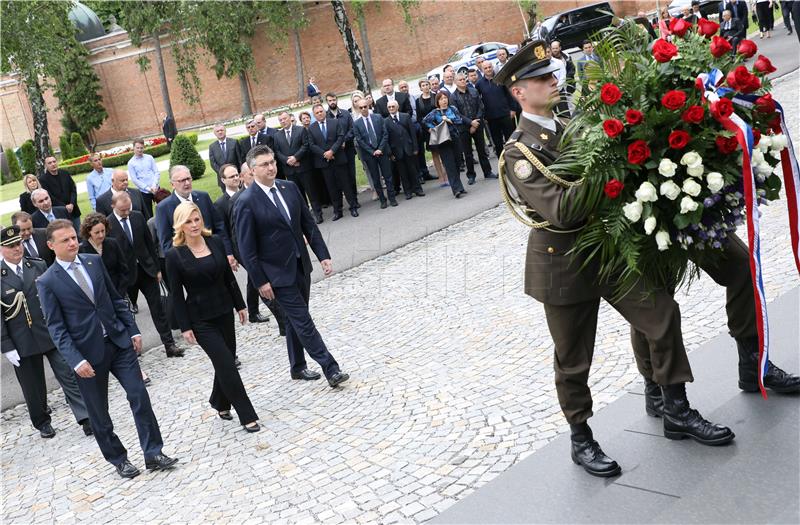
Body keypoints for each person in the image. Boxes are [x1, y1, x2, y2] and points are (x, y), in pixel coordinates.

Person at [495, 40, 734, 478]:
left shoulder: (568, 126)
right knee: (573, 359)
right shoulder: (518, 153)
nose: (552, 81)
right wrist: (607, 165)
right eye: (540, 79)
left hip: (609, 251)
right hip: (563, 263)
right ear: (519, 93)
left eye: (551, 75)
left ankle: (675, 407)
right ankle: (581, 439)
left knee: (661, 315)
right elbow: (562, 210)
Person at [37, 219, 178, 478]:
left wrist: (132, 329)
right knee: (99, 413)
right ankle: (119, 459)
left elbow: (115, 298)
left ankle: (153, 452)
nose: (72, 243)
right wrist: (76, 360)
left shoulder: (93, 262)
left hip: (118, 342)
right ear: (50, 245)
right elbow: (56, 328)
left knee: (139, 395)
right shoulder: (47, 281)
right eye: (65, 240)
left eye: (73, 237)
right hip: (87, 356)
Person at [234, 145, 350, 387]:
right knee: (304, 321)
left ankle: (297, 366)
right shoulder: (246, 201)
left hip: (300, 265)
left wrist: (322, 255)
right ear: (253, 170)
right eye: (265, 164)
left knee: (297, 320)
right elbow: (246, 249)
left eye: (273, 162)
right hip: (275, 275)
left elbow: (308, 225)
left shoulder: (289, 188)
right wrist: (260, 281)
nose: (271, 167)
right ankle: (331, 368)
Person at [166, 203, 260, 431]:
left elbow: (228, 277)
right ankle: (247, 415)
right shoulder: (174, 255)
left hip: (224, 311)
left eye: (196, 219)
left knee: (225, 359)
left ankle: (219, 401)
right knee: (227, 364)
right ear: (180, 225)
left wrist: (240, 305)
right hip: (200, 319)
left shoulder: (215, 242)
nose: (194, 225)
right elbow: (176, 295)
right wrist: (185, 327)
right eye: (188, 221)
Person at [1, 225, 92, 438]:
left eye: (19, 244)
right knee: (33, 387)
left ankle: (85, 417)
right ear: (1, 249)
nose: (17, 249)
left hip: (49, 332)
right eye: (11, 246)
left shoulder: (37, 265)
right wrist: (6, 345)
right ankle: (42, 422)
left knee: (69, 374)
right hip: (21, 339)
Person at [107, 192, 184, 357]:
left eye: (128, 209)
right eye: (123, 210)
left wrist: (157, 269)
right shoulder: (108, 224)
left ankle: (169, 344)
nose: (127, 212)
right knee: (126, 313)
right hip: (125, 276)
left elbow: (150, 243)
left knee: (158, 309)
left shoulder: (138, 217)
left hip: (146, 270)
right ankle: (133, 348)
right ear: (113, 206)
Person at [154, 165, 234, 261]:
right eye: (182, 180)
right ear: (172, 184)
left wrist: (228, 252)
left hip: (215, 254)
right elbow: (166, 243)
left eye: (188, 178)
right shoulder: (163, 208)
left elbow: (219, 226)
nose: (187, 183)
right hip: (188, 263)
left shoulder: (203, 197)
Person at [307, 103, 358, 220]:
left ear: (324, 112)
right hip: (325, 162)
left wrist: (332, 151)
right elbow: (311, 144)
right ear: (314, 115)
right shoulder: (311, 128)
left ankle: (353, 207)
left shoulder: (335, 122)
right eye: (317, 113)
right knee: (332, 187)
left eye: (321, 111)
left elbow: (341, 137)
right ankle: (337, 211)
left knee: (346, 184)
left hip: (339, 158)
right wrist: (325, 154)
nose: (320, 114)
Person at [273, 111, 321, 223]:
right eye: (280, 120)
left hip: (303, 168)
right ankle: (307, 217)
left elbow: (305, 145)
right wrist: (287, 160)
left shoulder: (300, 130)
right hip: (290, 171)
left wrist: (295, 158)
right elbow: (277, 151)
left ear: (290, 118)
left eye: (284, 118)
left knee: (311, 192)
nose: (283, 121)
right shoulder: (277, 135)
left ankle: (318, 214)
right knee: (298, 195)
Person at [450, 73, 497, 185]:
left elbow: (480, 107)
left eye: (464, 79)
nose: (463, 81)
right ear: (455, 82)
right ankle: (471, 175)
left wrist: (476, 122)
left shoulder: (473, 91)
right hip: (463, 128)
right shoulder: (453, 97)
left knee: (482, 150)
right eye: (460, 80)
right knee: (468, 153)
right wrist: (470, 123)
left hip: (478, 124)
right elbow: (457, 114)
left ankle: (488, 172)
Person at [353, 97, 398, 208]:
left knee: (388, 176)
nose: (363, 109)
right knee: (376, 178)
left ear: (368, 106)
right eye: (361, 107)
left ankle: (392, 198)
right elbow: (359, 140)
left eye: (365, 106)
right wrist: (372, 151)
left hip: (382, 151)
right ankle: (382, 200)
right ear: (358, 109)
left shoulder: (377, 117)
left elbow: (385, 134)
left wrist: (380, 149)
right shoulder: (356, 123)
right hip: (369, 155)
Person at [422, 92, 467, 198]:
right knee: (449, 164)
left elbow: (460, 120)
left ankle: (459, 186)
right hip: (443, 140)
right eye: (441, 99)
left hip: (455, 138)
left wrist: (449, 120)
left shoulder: (453, 109)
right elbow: (425, 121)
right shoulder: (435, 112)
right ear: (438, 101)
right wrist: (432, 128)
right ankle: (456, 189)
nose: (444, 100)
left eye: (445, 98)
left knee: (457, 163)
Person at [78, 213, 130, 305]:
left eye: (103, 231)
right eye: (97, 232)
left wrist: (119, 294)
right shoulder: (81, 250)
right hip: (97, 300)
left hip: (118, 294)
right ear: (89, 232)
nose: (101, 235)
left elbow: (124, 270)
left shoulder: (113, 244)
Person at [385, 100, 426, 199]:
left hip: (408, 148)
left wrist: (415, 147)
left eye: (393, 106)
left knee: (413, 170)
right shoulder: (386, 121)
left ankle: (418, 189)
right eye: (389, 107)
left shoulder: (405, 116)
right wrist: (390, 153)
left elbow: (412, 133)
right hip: (396, 151)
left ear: (397, 107)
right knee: (402, 172)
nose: (391, 108)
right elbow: (387, 139)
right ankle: (407, 191)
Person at [476, 61, 518, 158]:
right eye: (485, 68)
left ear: (492, 67)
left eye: (489, 67)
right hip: (491, 118)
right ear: (482, 70)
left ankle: (515, 159)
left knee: (511, 140)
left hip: (506, 114)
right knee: (498, 143)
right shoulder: (479, 84)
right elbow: (478, 101)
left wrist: (513, 109)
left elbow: (509, 94)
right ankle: (502, 164)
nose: (488, 69)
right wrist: (484, 115)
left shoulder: (501, 79)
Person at [326, 93, 359, 209]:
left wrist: (344, 140)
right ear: (327, 102)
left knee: (351, 175)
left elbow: (352, 129)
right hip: (336, 152)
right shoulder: (326, 116)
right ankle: (341, 203)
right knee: (339, 178)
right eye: (330, 100)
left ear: (337, 100)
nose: (332, 102)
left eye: (334, 99)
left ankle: (354, 199)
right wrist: (337, 145)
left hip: (348, 149)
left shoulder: (345, 113)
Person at [416, 79, 447, 184]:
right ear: (420, 88)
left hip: (440, 127)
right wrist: (428, 129)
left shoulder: (435, 97)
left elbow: (441, 110)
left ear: (429, 86)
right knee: (435, 153)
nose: (425, 87)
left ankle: (447, 174)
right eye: (423, 85)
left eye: (426, 85)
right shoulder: (418, 101)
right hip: (429, 131)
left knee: (444, 151)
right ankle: (440, 176)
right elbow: (419, 118)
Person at [38, 156, 80, 232]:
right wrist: (65, 207)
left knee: (79, 235)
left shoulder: (65, 173)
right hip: (59, 213)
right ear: (46, 166)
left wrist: (72, 204)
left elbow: (73, 189)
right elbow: (49, 196)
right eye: (50, 163)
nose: (53, 164)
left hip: (74, 210)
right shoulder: (43, 179)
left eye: (54, 161)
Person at [126, 139, 161, 217]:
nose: (139, 150)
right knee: (148, 214)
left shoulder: (149, 157)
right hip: (144, 192)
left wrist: (154, 185)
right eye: (137, 148)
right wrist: (148, 188)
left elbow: (156, 172)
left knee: (163, 208)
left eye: (141, 148)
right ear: (133, 148)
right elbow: (134, 179)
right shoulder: (131, 163)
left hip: (156, 188)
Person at [209, 124, 240, 190]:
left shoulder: (234, 142)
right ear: (215, 133)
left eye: (221, 130)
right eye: (217, 131)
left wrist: (238, 173)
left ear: (225, 131)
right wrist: (222, 173)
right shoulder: (212, 147)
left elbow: (239, 159)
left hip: (235, 176)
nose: (220, 132)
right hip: (223, 178)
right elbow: (213, 163)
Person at [550, 40, 575, 116]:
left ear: (560, 48)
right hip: (555, 90)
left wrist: (566, 79)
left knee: (570, 107)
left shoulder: (566, 57)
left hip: (567, 86)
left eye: (556, 48)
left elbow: (572, 69)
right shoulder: (550, 61)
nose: (554, 50)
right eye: (553, 48)